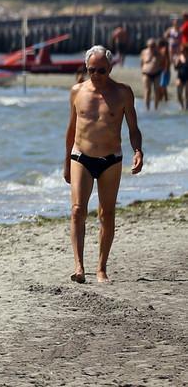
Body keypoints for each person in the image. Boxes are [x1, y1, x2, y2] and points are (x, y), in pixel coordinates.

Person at [64, 45, 143, 284]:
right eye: (91, 70)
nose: (96, 75)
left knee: (106, 214)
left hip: (111, 160)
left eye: (101, 71)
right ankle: (79, 267)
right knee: (78, 210)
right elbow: (71, 130)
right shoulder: (77, 92)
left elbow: (133, 128)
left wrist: (137, 150)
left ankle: (101, 268)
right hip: (81, 157)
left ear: (110, 68)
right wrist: (65, 161)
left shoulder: (123, 93)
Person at [140, 38, 163, 110]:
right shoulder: (144, 52)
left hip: (157, 74)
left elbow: (162, 62)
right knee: (147, 91)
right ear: (147, 46)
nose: (152, 47)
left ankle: (156, 108)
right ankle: (147, 108)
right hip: (146, 73)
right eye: (150, 46)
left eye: (153, 45)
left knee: (156, 91)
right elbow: (142, 62)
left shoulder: (159, 53)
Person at [174, 45, 188, 110]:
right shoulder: (179, 57)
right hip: (180, 77)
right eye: (181, 50)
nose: (182, 51)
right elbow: (175, 68)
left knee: (186, 93)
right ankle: (182, 106)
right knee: (179, 94)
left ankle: (186, 107)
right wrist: (176, 62)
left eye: (183, 50)